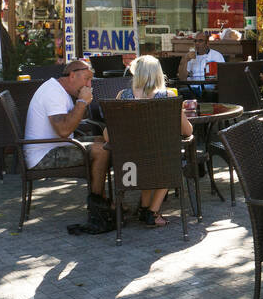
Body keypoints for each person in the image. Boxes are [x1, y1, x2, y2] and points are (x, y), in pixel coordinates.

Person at [23, 58, 115, 234]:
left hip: (55, 147)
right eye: (86, 79)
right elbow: (64, 130)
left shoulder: (60, 90)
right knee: (101, 151)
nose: (89, 84)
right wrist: (81, 102)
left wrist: (82, 102)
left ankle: (104, 202)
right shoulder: (53, 93)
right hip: (43, 155)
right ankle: (98, 210)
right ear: (72, 76)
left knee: (106, 143)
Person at [113, 55, 193, 227]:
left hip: (129, 164)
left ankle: (144, 207)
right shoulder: (168, 96)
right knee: (170, 158)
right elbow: (187, 131)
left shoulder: (122, 96)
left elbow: (109, 134)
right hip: (161, 163)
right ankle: (152, 212)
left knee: (146, 158)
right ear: (158, 73)